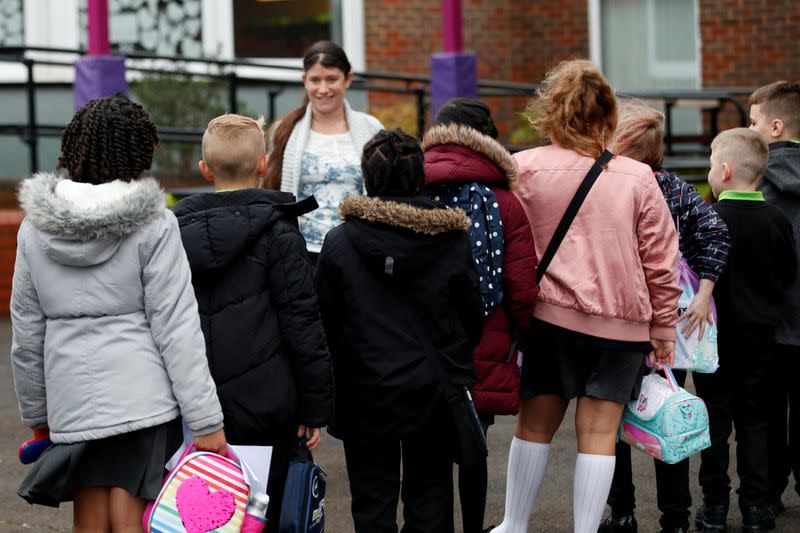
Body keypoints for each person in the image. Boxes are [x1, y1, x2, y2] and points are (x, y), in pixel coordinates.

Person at [10, 95, 226, 531]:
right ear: (138, 149)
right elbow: (176, 325)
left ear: (75, 147)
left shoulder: (34, 227)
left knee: (88, 516)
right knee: (131, 515)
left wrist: (38, 414)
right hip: (141, 393)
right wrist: (206, 419)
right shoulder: (154, 223)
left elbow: (26, 330)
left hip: (71, 391)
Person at [492, 59, 681, 533]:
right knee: (598, 436)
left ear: (551, 112)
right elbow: (661, 261)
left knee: (535, 427)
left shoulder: (523, 169)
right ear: (608, 116)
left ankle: (514, 525)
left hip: (548, 320)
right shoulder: (638, 178)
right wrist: (663, 328)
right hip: (620, 326)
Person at [315, 129, 484, 533]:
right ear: (419, 178)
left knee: (372, 500)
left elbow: (324, 317)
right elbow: (471, 314)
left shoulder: (340, 242)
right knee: (431, 496)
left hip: (363, 389)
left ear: (367, 180)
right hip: (433, 388)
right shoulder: (451, 239)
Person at [172, 114, 334, 532]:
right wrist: (314, 405)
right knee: (267, 512)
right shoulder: (279, 231)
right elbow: (302, 321)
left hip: (196, 407)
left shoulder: (172, 234)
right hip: (269, 405)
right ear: (264, 163)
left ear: (204, 169)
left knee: (202, 519)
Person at [598, 102, 731, 533]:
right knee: (666, 411)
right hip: (666, 322)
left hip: (615, 320)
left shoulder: (606, 185)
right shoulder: (674, 188)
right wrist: (704, 291)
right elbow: (714, 231)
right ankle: (673, 517)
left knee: (610, 421)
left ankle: (621, 513)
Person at [422, 98, 538, 533]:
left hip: (420, 340)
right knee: (474, 443)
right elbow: (521, 287)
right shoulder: (504, 202)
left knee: (428, 450)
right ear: (487, 141)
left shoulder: (411, 188)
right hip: (483, 342)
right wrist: (524, 339)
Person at [692, 128, 797, 533]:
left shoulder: (709, 218)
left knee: (715, 422)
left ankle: (714, 507)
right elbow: (788, 272)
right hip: (762, 338)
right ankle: (757, 508)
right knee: (756, 421)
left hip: (714, 340)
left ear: (725, 170)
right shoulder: (776, 219)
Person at [262, 40, 384, 260]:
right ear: (304, 81)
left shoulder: (372, 128)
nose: (323, 89)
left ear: (348, 79)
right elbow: (267, 190)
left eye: (332, 79)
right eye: (315, 80)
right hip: (300, 253)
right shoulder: (282, 131)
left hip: (359, 252)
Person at [749, 81, 800, 516]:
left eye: (754, 122)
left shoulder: (757, 184)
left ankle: (765, 497)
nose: (751, 131)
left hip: (765, 320)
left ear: (776, 127)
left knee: (764, 413)